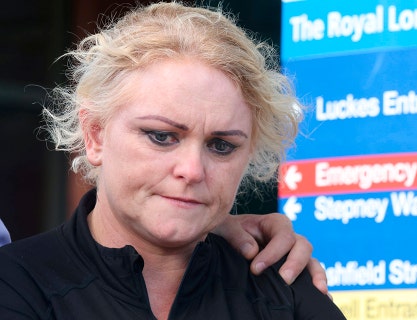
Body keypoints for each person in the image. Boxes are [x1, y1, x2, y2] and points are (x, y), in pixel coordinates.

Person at [0, 2, 345, 319]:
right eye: (161, 136)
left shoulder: (285, 293)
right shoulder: (16, 284)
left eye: (221, 146)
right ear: (94, 135)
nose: (192, 170)